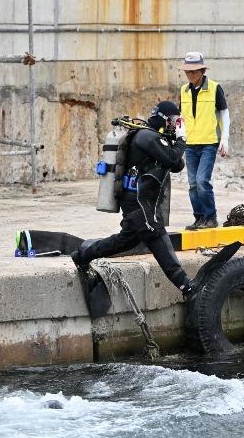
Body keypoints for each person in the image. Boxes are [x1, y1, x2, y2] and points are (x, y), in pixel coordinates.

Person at [71, 101, 192, 296]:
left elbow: (177, 164)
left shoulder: (153, 138)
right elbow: (171, 159)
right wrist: (182, 138)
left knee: (126, 241)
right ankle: (187, 286)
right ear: (163, 119)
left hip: (138, 202)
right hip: (139, 203)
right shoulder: (147, 137)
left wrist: (173, 141)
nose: (174, 126)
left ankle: (81, 256)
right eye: (172, 121)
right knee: (157, 236)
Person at [179, 52, 230, 230]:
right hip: (190, 143)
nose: (190, 75)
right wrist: (178, 139)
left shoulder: (215, 88)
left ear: (201, 71)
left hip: (209, 142)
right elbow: (181, 117)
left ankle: (211, 217)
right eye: (187, 72)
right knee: (193, 184)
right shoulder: (184, 90)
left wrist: (225, 138)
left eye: (193, 72)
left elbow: (224, 113)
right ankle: (199, 218)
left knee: (202, 181)